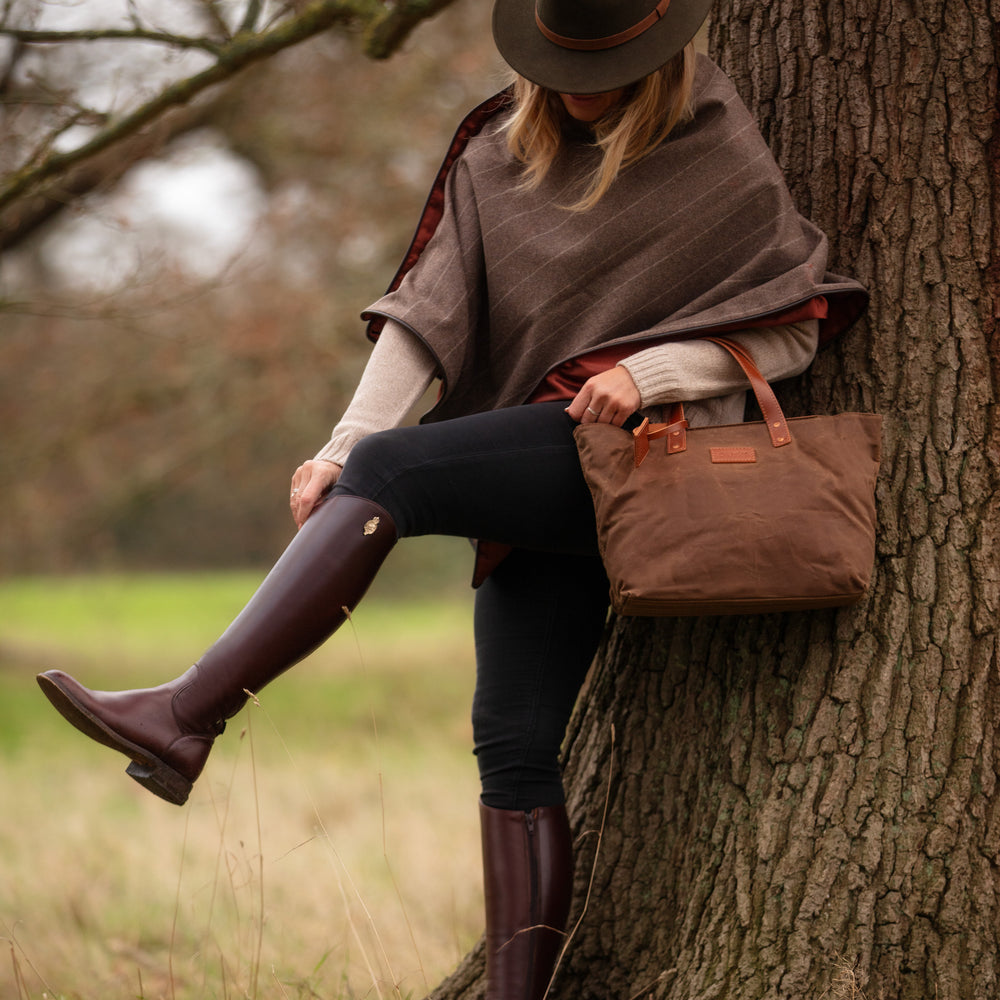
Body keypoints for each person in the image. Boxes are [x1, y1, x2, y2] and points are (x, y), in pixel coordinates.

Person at [37, 1, 868, 997]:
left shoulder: (715, 148)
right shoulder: (497, 154)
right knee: (512, 748)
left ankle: (187, 714)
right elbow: (425, 320)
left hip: (656, 462)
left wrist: (655, 372)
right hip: (547, 469)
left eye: (599, 64)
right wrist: (339, 445)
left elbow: (793, 328)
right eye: (557, 61)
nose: (573, 83)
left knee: (398, 471)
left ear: (654, 61)